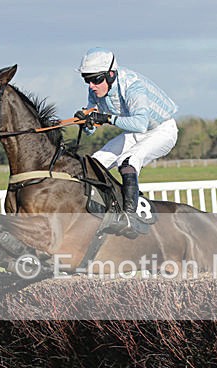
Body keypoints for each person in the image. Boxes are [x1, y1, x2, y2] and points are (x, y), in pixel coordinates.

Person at [74, 47, 178, 231]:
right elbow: (92, 128)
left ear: (111, 74)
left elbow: (140, 124)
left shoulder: (132, 86)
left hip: (162, 130)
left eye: (96, 79)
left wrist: (106, 118)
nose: (91, 85)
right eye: (87, 80)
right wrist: (86, 123)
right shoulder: (94, 91)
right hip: (134, 135)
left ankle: (130, 217)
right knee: (93, 164)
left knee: (127, 161)